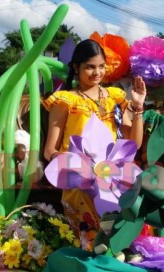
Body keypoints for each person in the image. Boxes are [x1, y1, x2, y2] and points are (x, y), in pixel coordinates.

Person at [42, 39, 146, 241]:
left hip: (112, 179)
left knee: (116, 241)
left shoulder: (114, 98)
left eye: (101, 66)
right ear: (76, 67)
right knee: (87, 243)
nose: (97, 72)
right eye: (90, 67)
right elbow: (49, 150)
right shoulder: (66, 100)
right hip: (78, 184)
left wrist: (138, 106)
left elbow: (134, 144)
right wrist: (76, 167)